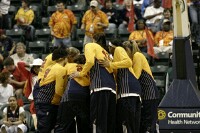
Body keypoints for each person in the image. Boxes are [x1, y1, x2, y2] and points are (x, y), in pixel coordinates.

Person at [70, 33, 116, 133]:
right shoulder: (106, 53)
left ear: (92, 39)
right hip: (112, 88)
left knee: (98, 121)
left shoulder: (90, 45)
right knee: (109, 122)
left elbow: (90, 61)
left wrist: (81, 73)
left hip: (99, 86)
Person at [99, 39, 141, 133]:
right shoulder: (116, 59)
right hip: (132, 90)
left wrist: (110, 64)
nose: (108, 49)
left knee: (126, 124)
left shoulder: (118, 49)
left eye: (109, 46)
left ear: (112, 46)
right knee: (132, 124)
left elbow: (128, 62)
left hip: (127, 91)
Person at [122, 40, 159, 133]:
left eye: (124, 51)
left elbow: (136, 76)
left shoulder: (137, 56)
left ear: (128, 49)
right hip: (144, 92)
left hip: (150, 92)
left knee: (149, 122)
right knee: (144, 122)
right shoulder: (134, 58)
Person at [34, 48, 68, 133]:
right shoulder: (61, 69)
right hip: (48, 103)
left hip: (41, 100)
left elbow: (42, 83)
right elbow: (59, 89)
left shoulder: (49, 67)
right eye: (66, 57)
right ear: (62, 58)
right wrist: (58, 102)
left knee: (44, 128)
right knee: (45, 129)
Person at [55, 54, 90, 133]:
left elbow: (62, 77)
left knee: (62, 125)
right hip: (84, 97)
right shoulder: (88, 69)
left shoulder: (69, 65)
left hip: (70, 96)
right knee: (84, 126)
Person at [17, 58, 43, 131]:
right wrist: (30, 65)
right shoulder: (30, 75)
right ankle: (36, 128)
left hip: (45, 99)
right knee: (32, 111)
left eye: (38, 67)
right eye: (35, 67)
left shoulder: (46, 75)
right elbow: (19, 64)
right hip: (34, 99)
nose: (36, 69)